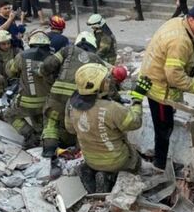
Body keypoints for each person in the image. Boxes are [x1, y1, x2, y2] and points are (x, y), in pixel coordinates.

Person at [139, 3, 194, 169]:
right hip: (159, 90)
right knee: (163, 129)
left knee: (166, 122)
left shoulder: (184, 27)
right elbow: (174, 77)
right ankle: (159, 165)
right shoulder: (180, 41)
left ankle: (161, 159)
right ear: (192, 20)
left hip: (162, 83)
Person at [65, 63, 152, 192]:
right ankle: (111, 177)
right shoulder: (112, 108)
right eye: (105, 79)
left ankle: (93, 170)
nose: (108, 81)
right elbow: (135, 122)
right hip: (116, 160)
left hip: (90, 158)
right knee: (135, 161)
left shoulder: (71, 104)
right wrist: (138, 99)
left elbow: (70, 129)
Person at [39, 31, 103, 157]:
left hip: (57, 95)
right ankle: (80, 152)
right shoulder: (97, 60)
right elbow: (106, 83)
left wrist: (44, 73)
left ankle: (49, 150)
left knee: (52, 120)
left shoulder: (67, 50)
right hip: (78, 99)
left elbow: (48, 65)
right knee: (80, 124)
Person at [4, 30, 53, 147]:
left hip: (26, 102)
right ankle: (42, 139)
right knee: (39, 119)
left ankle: (30, 135)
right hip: (46, 102)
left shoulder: (22, 56)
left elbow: (10, 72)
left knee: (9, 115)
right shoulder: (53, 58)